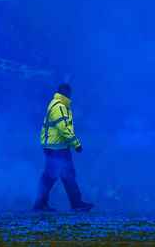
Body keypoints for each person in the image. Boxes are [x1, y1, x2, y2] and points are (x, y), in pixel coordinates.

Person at [33, 83, 94, 212]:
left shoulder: (58, 104)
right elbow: (64, 129)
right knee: (59, 175)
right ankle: (74, 204)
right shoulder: (60, 107)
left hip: (56, 146)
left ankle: (43, 203)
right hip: (57, 148)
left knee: (59, 175)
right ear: (67, 93)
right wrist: (76, 144)